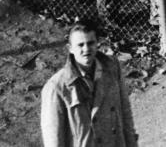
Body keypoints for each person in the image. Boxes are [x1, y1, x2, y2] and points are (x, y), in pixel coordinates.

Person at [41, 18, 137, 147]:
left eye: (90, 43)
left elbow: (126, 113)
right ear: (70, 48)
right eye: (80, 45)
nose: (86, 49)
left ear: (98, 43)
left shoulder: (112, 68)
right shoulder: (56, 87)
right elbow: (53, 138)